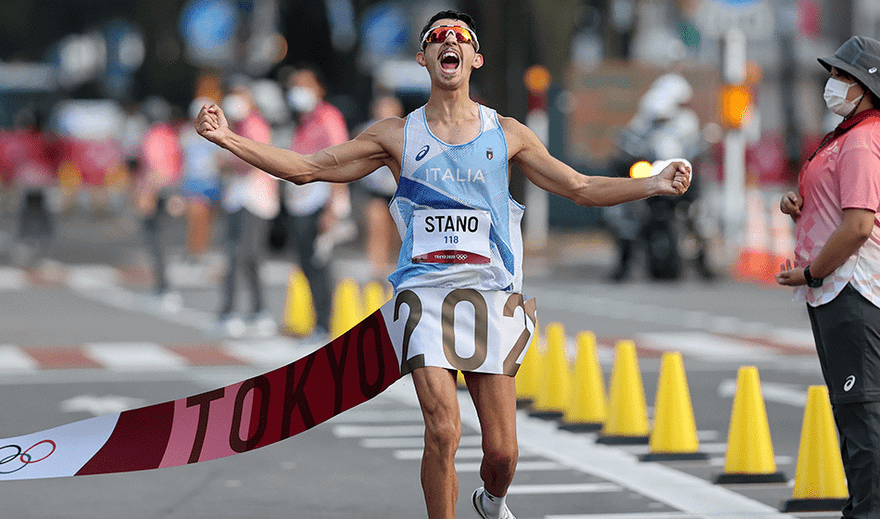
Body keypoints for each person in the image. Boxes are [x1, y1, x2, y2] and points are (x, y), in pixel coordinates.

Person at [196, 10, 690, 519]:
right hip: (424, 294)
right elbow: (307, 169)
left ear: (475, 58)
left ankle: (490, 501)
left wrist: (652, 183)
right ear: (424, 57)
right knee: (444, 428)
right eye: (436, 37)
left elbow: (580, 188)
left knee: (503, 454)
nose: (448, 41)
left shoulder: (509, 134)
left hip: (491, 295)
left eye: (461, 37)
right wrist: (228, 138)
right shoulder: (396, 135)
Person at [776, 36, 880, 518]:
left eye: (843, 77)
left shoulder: (860, 139)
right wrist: (800, 206)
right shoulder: (849, 132)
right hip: (840, 287)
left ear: (867, 88)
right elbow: (841, 206)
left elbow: (859, 225)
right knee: (855, 410)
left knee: (861, 411)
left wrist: (811, 274)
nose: (832, 83)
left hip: (850, 287)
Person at [284, 65, 351, 338]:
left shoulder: (328, 117)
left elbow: (341, 160)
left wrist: (332, 209)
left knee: (319, 264)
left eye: (304, 84)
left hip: (321, 201)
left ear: (319, 88)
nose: (298, 90)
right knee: (305, 264)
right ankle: (316, 320)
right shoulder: (303, 121)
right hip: (300, 203)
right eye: (294, 85)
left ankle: (324, 323)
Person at [216, 81, 279, 337]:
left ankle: (239, 311)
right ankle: (249, 310)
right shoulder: (239, 125)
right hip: (240, 197)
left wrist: (226, 163)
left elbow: (254, 160)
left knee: (243, 256)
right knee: (243, 257)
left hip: (254, 199)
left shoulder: (254, 124)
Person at [136, 96, 183, 304]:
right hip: (170, 188)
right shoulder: (169, 134)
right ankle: (163, 287)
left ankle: (163, 288)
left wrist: (146, 195)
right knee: (160, 240)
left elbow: (154, 169)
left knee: (155, 241)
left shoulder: (153, 135)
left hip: (157, 191)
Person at [356, 94, 405, 280]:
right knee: (377, 226)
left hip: (398, 192)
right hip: (375, 190)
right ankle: (376, 270)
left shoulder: (407, 131)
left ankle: (393, 269)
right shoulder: (366, 131)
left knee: (396, 235)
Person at [180, 96, 224, 263]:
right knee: (195, 218)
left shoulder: (217, 131)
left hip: (211, 181)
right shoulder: (186, 134)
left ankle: (201, 249)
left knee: (207, 220)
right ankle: (194, 251)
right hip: (194, 181)